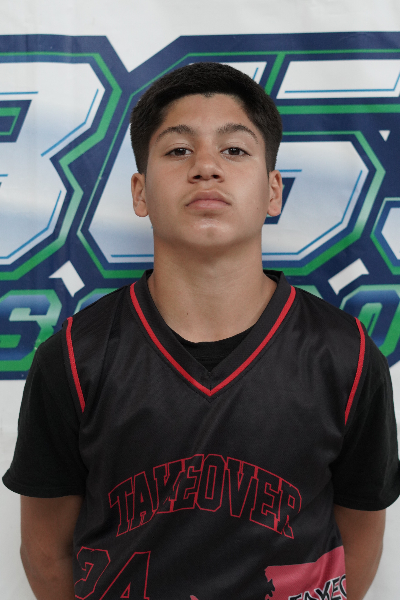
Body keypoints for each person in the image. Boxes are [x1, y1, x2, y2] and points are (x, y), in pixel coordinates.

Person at [3, 62, 400, 600]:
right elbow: (47, 553)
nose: (206, 167)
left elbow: (360, 538)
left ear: (273, 191)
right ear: (140, 193)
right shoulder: (73, 358)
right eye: (178, 150)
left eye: (234, 150)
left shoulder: (345, 355)